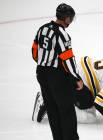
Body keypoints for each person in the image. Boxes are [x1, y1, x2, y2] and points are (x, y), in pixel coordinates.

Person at [31, 3, 83, 140]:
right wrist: (76, 77)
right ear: (66, 18)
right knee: (66, 111)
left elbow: (34, 51)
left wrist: (43, 64)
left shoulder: (42, 29)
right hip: (57, 76)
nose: (70, 21)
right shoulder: (62, 35)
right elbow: (68, 59)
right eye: (70, 18)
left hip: (41, 73)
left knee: (52, 110)